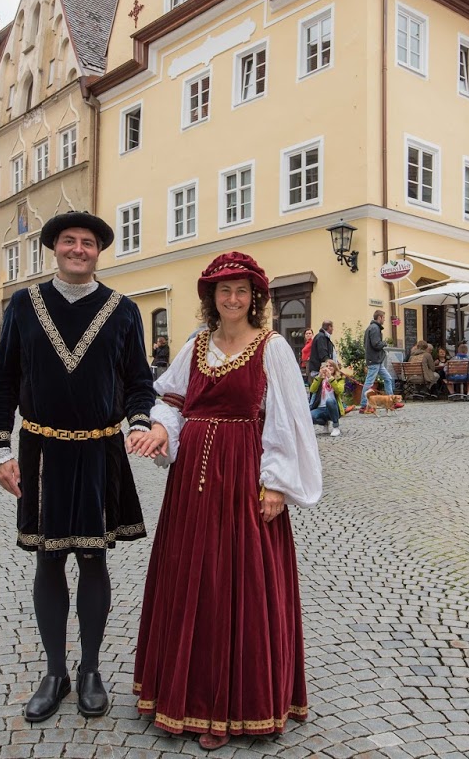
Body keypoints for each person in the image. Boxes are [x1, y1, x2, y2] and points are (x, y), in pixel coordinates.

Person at [129, 252, 322, 751]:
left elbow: (287, 419)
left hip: (242, 477)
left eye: (241, 291)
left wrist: (276, 483)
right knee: (190, 576)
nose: (232, 299)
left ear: (254, 297)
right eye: (224, 291)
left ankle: (237, 707)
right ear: (211, 298)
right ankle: (181, 696)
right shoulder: (196, 344)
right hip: (190, 484)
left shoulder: (271, 348)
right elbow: (171, 401)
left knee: (238, 581)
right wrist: (160, 431)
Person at [0, 211, 155, 724]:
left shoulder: (123, 311)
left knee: (93, 559)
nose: (78, 249)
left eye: (87, 242)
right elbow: (3, 381)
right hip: (42, 451)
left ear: (99, 251)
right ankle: (55, 672)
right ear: (54, 248)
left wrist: (140, 421)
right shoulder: (24, 305)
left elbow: (138, 380)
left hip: (101, 450)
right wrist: (0, 450)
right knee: (48, 559)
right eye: (69, 241)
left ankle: (90, 671)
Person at [359, 310, 396, 399]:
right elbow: (376, 344)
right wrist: (384, 343)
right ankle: (364, 403)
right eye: (384, 318)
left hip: (376, 360)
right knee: (369, 382)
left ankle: (391, 400)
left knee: (388, 378)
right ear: (379, 317)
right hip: (374, 360)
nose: (384, 320)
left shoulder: (370, 328)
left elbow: (366, 343)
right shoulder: (375, 328)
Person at [309, 358, 345, 437]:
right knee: (310, 416)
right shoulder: (320, 379)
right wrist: (319, 376)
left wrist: (330, 378)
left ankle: (336, 427)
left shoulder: (339, 379)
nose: (328, 368)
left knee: (330, 401)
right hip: (320, 407)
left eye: (331, 366)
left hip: (333, 407)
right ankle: (324, 422)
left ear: (335, 368)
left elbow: (339, 391)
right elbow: (312, 390)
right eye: (326, 366)